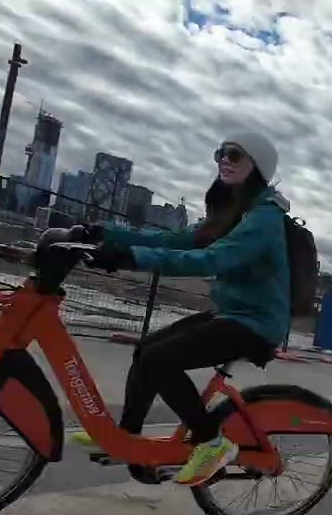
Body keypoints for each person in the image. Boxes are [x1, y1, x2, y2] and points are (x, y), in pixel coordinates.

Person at [66, 133, 292, 487]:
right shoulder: (234, 211)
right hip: (234, 314)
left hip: (258, 323)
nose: (224, 161)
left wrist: (131, 258)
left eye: (235, 155)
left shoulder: (264, 218)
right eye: (221, 154)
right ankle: (124, 438)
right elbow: (176, 240)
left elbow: (211, 259)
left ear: (259, 166)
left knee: (161, 359)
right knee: (146, 351)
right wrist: (108, 234)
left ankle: (211, 442)